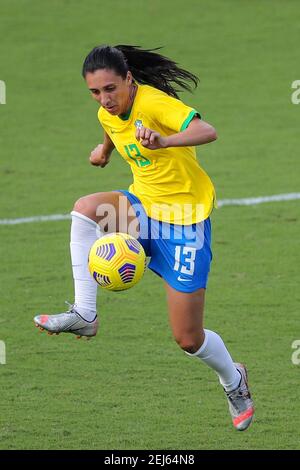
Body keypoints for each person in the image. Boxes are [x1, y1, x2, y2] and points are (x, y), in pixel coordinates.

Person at [34, 45, 254, 431]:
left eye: (110, 89)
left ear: (129, 80)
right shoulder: (108, 110)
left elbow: (208, 130)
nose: (104, 99)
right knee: (85, 208)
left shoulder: (155, 103)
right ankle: (86, 313)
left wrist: (164, 142)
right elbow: (112, 123)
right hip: (143, 212)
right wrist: (104, 150)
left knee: (188, 338)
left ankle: (234, 381)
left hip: (185, 222)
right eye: (95, 92)